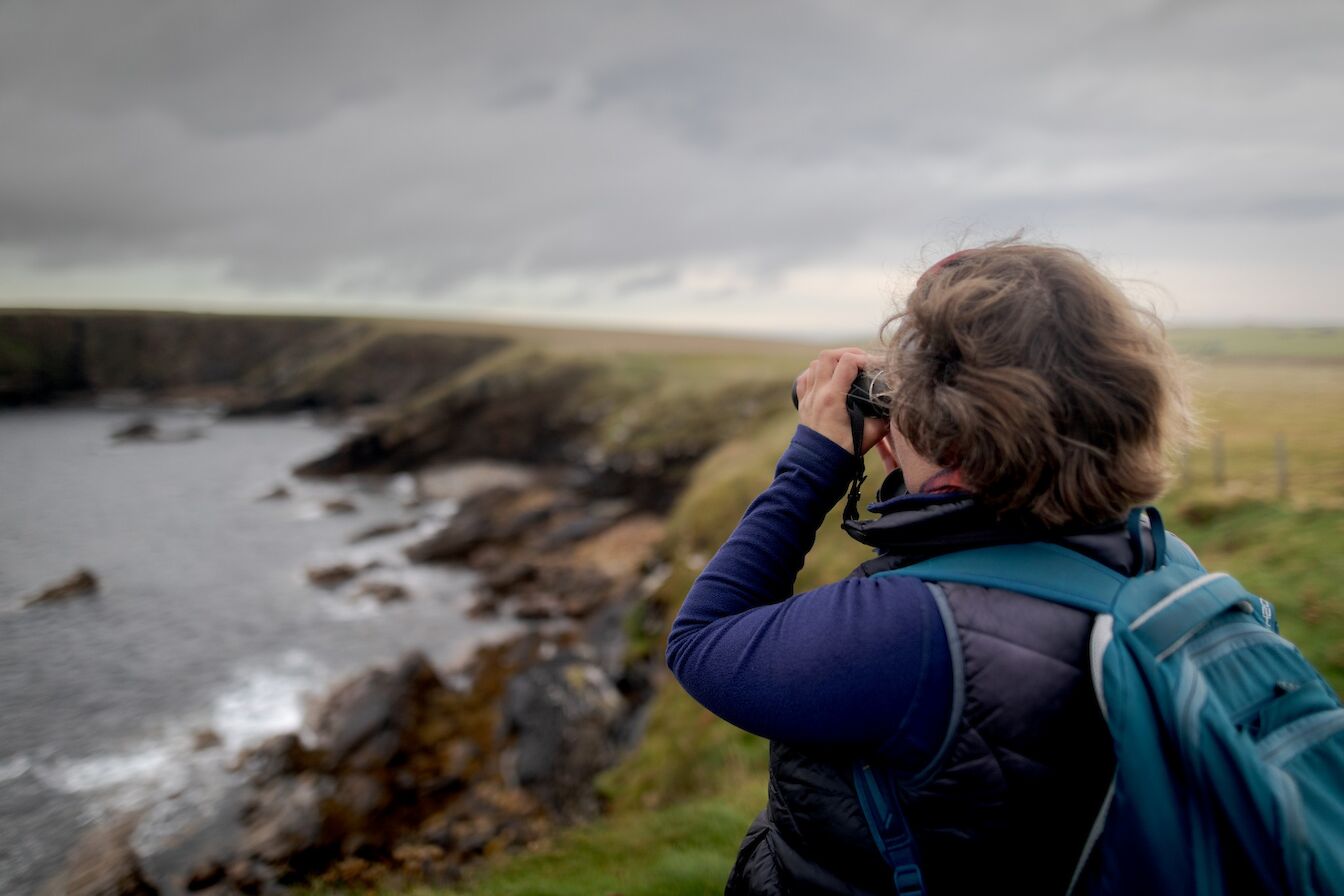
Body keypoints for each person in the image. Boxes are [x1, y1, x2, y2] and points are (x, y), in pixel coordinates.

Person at [666, 241, 1192, 894]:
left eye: (909, 384)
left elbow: (699, 640)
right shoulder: (1163, 562)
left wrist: (813, 463)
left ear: (948, 420)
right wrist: (924, 475)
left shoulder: (913, 631)